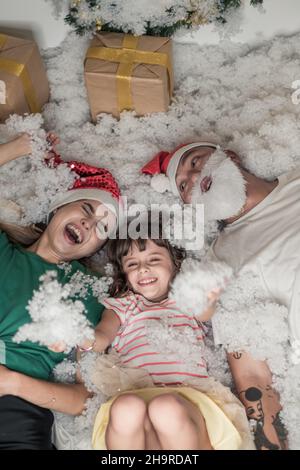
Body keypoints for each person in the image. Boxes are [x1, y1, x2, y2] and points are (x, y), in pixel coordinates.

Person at [141, 141, 292, 450]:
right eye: (184, 185)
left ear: (229, 156)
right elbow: (252, 376)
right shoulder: (218, 262)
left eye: (197, 162)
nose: (195, 178)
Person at [60, 220, 254, 450]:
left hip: (189, 397)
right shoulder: (124, 305)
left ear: (175, 262)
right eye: (132, 264)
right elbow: (102, 336)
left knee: (166, 408)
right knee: (125, 408)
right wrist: (81, 336)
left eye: (154, 260)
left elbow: (204, 312)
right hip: (133, 391)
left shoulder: (185, 299)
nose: (143, 269)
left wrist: (206, 295)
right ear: (123, 273)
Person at [0, 133, 123, 449]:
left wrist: (13, 383)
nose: (88, 223)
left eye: (101, 227)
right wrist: (19, 148)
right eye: (85, 207)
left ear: (98, 246)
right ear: (58, 207)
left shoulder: (89, 295)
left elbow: (85, 400)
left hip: (17, 413)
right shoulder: (5, 253)